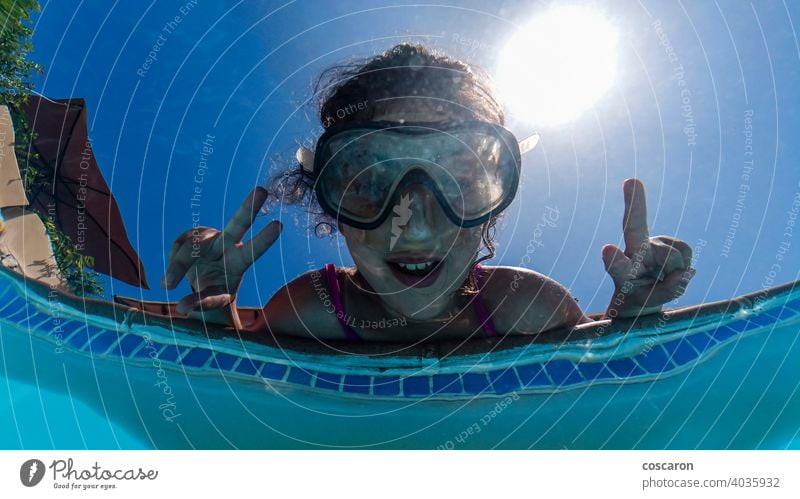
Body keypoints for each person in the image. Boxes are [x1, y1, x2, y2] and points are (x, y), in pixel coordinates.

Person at [161, 43, 695, 342]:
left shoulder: (529, 307)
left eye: (459, 181)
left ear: (493, 203)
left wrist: (635, 326)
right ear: (332, 206)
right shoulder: (311, 312)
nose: (415, 224)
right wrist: (218, 332)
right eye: (369, 182)